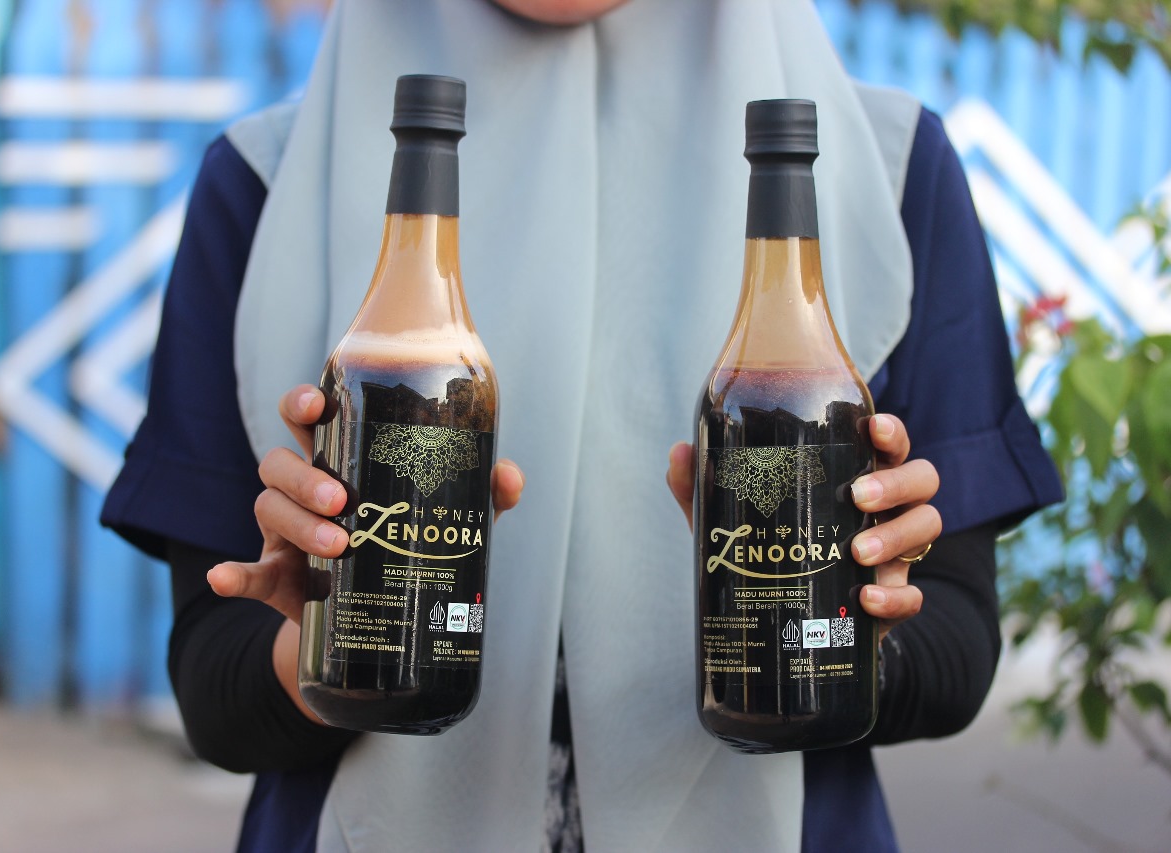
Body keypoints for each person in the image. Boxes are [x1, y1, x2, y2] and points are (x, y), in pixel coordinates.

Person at [102, 1, 1064, 851]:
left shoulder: (887, 174)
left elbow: (957, 643)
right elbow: (214, 689)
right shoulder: (265, 184)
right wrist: (330, 645)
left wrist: (839, 632)